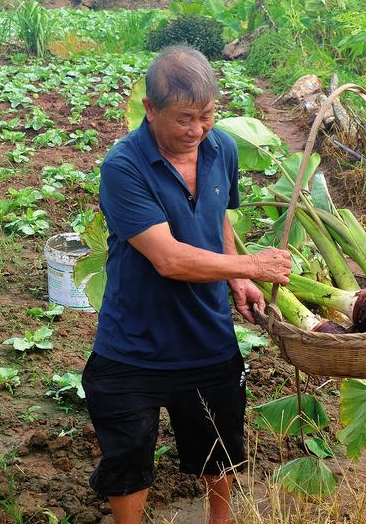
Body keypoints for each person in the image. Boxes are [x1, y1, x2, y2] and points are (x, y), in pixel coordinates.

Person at [81, 46, 292, 524]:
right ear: (150, 110)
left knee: (220, 445)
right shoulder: (123, 167)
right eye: (183, 119)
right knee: (128, 456)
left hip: (207, 336)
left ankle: (221, 520)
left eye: (207, 115)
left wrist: (238, 272)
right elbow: (169, 259)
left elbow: (219, 221)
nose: (197, 130)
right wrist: (255, 265)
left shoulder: (223, 149)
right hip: (133, 343)